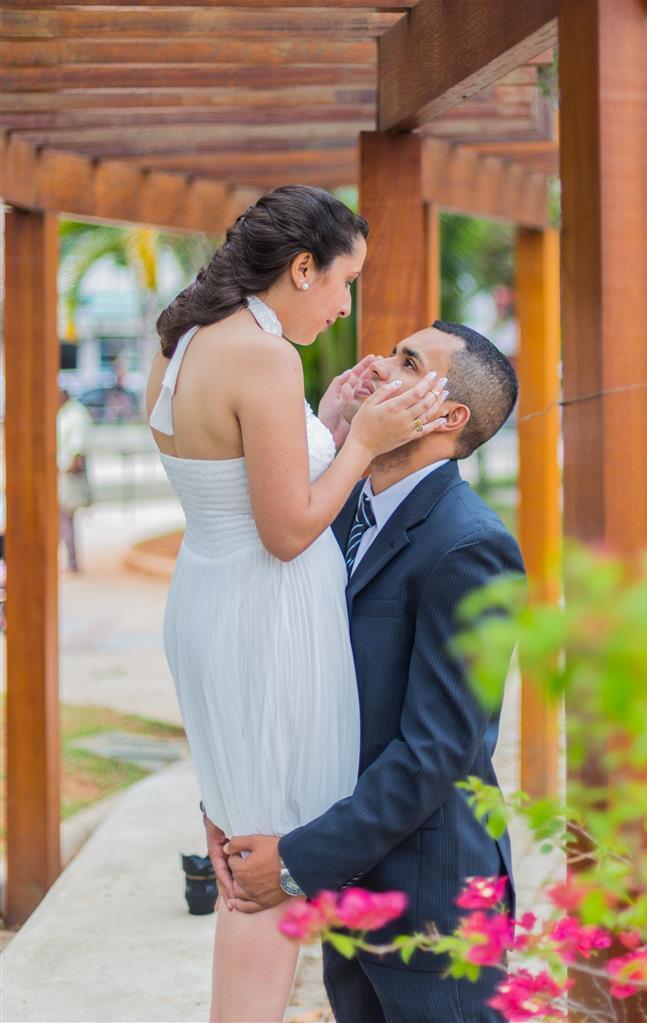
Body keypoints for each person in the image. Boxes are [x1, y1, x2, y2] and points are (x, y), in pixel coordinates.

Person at [145, 185, 447, 1023]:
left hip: (212, 603)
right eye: (345, 281)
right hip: (265, 620)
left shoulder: (184, 338)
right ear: (303, 267)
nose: (347, 305)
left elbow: (234, 475)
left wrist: (327, 422)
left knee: (246, 846)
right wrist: (364, 441)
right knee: (268, 871)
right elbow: (286, 531)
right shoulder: (264, 356)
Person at [222, 321, 525, 1023]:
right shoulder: (341, 509)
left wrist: (295, 862)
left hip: (432, 902)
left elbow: (436, 751)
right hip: (351, 889)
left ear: (448, 417)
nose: (378, 365)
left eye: (407, 363)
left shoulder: (471, 545)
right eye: (391, 353)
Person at [57, 384, 93, 572]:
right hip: (60, 471)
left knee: (65, 517)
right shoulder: (63, 412)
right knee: (61, 519)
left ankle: (71, 561)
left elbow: (78, 448)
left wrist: (70, 467)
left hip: (68, 474)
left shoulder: (76, 413)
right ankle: (64, 559)